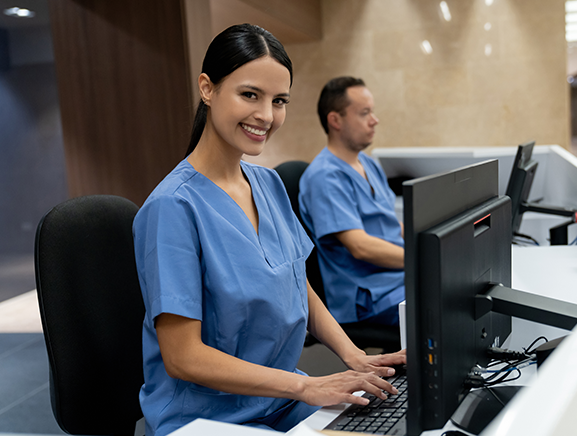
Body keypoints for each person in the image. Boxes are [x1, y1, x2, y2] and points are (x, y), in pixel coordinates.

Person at [132, 25, 405, 436]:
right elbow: (183, 357)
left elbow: (297, 283)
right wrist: (307, 385)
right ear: (207, 88)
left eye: (279, 101)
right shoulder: (173, 207)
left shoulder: (268, 184)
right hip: (207, 419)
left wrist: (355, 356)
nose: (266, 115)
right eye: (250, 95)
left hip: (278, 402)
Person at [298, 77, 405, 327]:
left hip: (397, 278)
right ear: (335, 120)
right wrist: (421, 259)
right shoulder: (325, 177)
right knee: (452, 303)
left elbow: (390, 224)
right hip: (371, 297)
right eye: (364, 113)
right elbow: (361, 247)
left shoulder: (367, 163)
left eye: (373, 111)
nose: (374, 119)